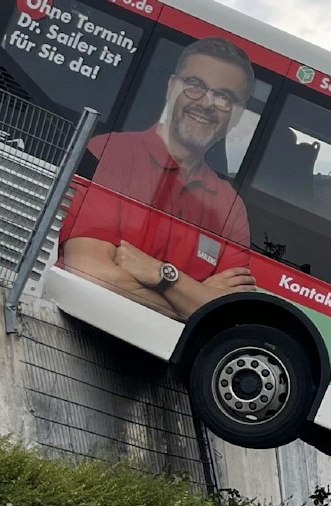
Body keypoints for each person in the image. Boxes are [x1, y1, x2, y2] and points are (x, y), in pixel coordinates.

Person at [58, 37, 260, 320]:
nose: (206, 103)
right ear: (171, 87)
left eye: (224, 97)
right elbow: (90, 272)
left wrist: (161, 274)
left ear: (237, 115)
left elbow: (226, 317)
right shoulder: (110, 152)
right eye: (195, 85)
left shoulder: (231, 209)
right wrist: (194, 299)